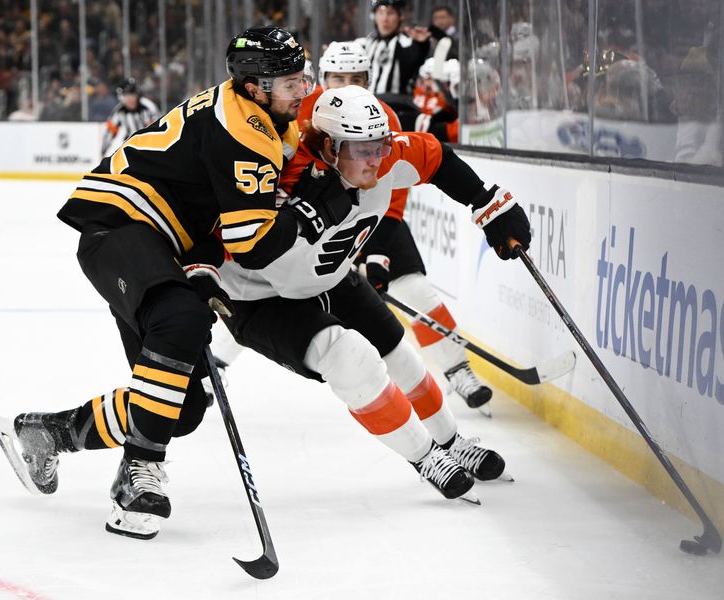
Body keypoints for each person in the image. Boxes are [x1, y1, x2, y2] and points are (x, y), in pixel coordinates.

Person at [0, 26, 309, 540]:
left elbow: (211, 216)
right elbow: (253, 244)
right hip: (120, 225)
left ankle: (49, 433)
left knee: (180, 408)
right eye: (291, 82)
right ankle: (137, 475)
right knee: (180, 321)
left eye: (303, 77)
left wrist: (203, 267)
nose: (303, 90)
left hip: (161, 244)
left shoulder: (266, 124)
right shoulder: (246, 128)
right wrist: (318, 209)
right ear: (254, 86)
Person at [218, 85, 532, 502]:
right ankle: (425, 457)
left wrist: (486, 202)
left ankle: (452, 442)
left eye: (380, 144)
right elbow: (219, 226)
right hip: (259, 295)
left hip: (331, 276)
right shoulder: (277, 169)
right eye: (362, 150)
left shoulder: (386, 156)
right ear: (329, 148)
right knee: (349, 358)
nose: (376, 160)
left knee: (397, 351)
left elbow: (436, 155)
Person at [212, 41, 494, 411]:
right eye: (339, 77)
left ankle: (457, 368)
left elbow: (392, 185)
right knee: (267, 290)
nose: (351, 84)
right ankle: (216, 363)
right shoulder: (295, 117)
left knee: (415, 289)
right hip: (316, 223)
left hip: (373, 218)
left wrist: (374, 251)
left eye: (358, 77)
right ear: (322, 79)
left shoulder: (380, 116)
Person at [357, 0, 432, 96]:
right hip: (368, 104)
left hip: (398, 107)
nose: (385, 19)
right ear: (374, 17)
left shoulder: (406, 43)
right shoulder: (366, 43)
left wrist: (421, 45)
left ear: (400, 17)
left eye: (390, 13)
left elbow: (414, 63)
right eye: (380, 13)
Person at [101, 77, 161, 156]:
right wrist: (103, 153)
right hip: (132, 148)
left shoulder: (148, 107)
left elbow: (160, 128)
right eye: (127, 96)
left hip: (151, 147)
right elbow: (109, 133)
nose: (131, 99)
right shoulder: (119, 112)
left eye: (133, 94)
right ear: (121, 97)